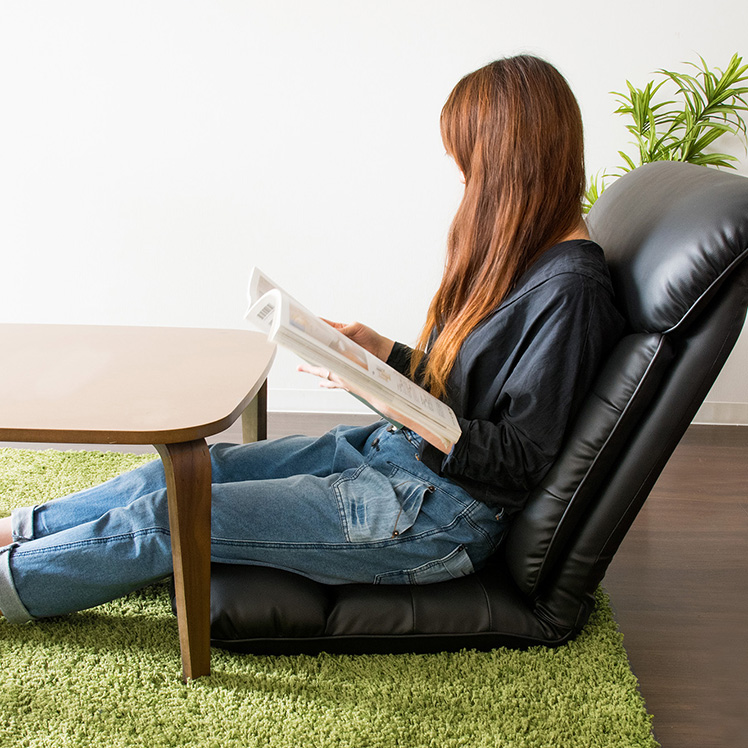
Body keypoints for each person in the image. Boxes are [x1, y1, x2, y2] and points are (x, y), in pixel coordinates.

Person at [0, 55, 624, 622]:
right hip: (393, 456)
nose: (463, 183)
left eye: (468, 168)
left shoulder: (573, 291)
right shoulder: (530, 259)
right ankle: (18, 530)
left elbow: (517, 460)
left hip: (435, 516)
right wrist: (383, 355)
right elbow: (471, 390)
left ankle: (11, 584)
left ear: (509, 165)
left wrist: (388, 398)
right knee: (200, 470)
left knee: (174, 518)